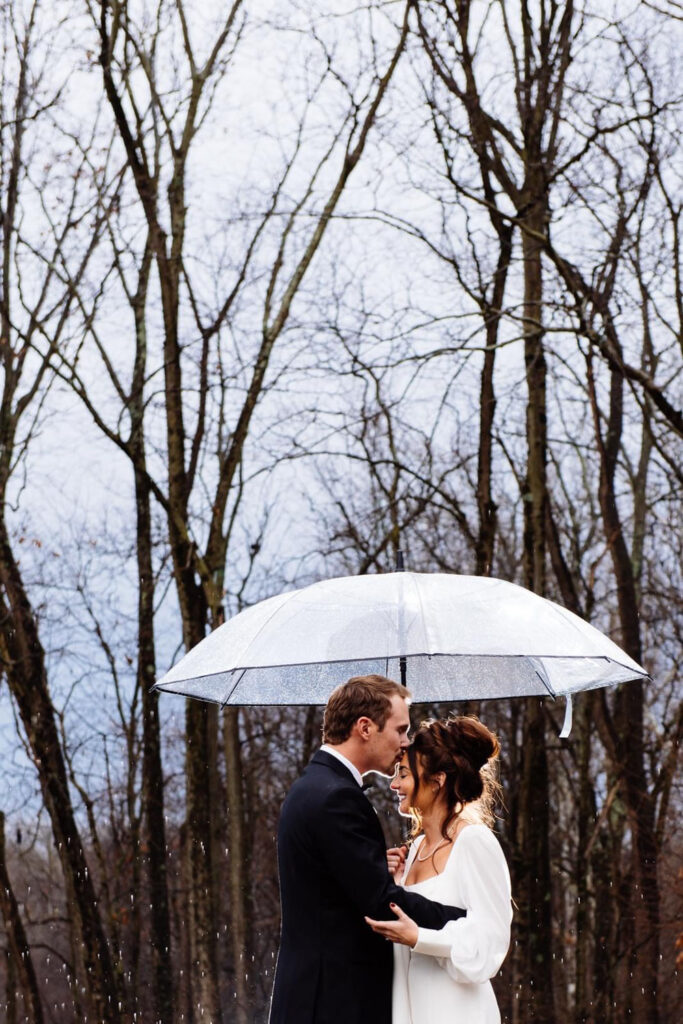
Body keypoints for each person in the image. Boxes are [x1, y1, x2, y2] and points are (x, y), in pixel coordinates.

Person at [268, 675, 466, 1024]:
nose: (405, 744)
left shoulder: (313, 786)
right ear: (365, 727)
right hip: (335, 1002)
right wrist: (461, 920)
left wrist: (373, 866)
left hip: (312, 997)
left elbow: (333, 885)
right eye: (400, 730)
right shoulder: (337, 797)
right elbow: (380, 903)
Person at [366, 715, 512, 1024]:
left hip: (460, 1013)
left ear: (437, 780)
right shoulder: (416, 848)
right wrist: (393, 885)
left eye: (403, 773)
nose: (393, 784)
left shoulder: (473, 842)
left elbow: (489, 946)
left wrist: (421, 938)